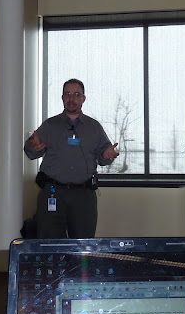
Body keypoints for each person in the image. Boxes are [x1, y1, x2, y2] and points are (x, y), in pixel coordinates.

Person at [24, 78, 119, 238]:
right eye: (67, 94)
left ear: (83, 98)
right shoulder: (50, 126)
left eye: (76, 94)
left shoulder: (94, 127)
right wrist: (33, 147)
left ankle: (81, 257)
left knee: (83, 243)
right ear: (62, 98)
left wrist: (106, 156)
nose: (71, 99)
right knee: (50, 243)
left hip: (84, 195)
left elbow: (103, 158)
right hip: (53, 193)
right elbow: (31, 153)